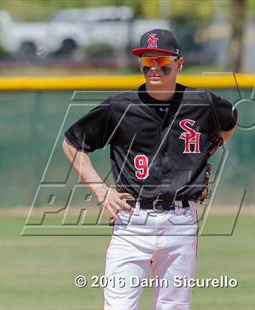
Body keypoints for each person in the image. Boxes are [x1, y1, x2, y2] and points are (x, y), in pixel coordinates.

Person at [62, 29, 237, 310]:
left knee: (174, 306)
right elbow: (72, 145)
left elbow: (229, 122)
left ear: (179, 64)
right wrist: (101, 190)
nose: (154, 67)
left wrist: (206, 151)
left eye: (162, 61)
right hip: (132, 220)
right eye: (146, 61)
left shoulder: (202, 103)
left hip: (180, 221)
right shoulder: (119, 108)